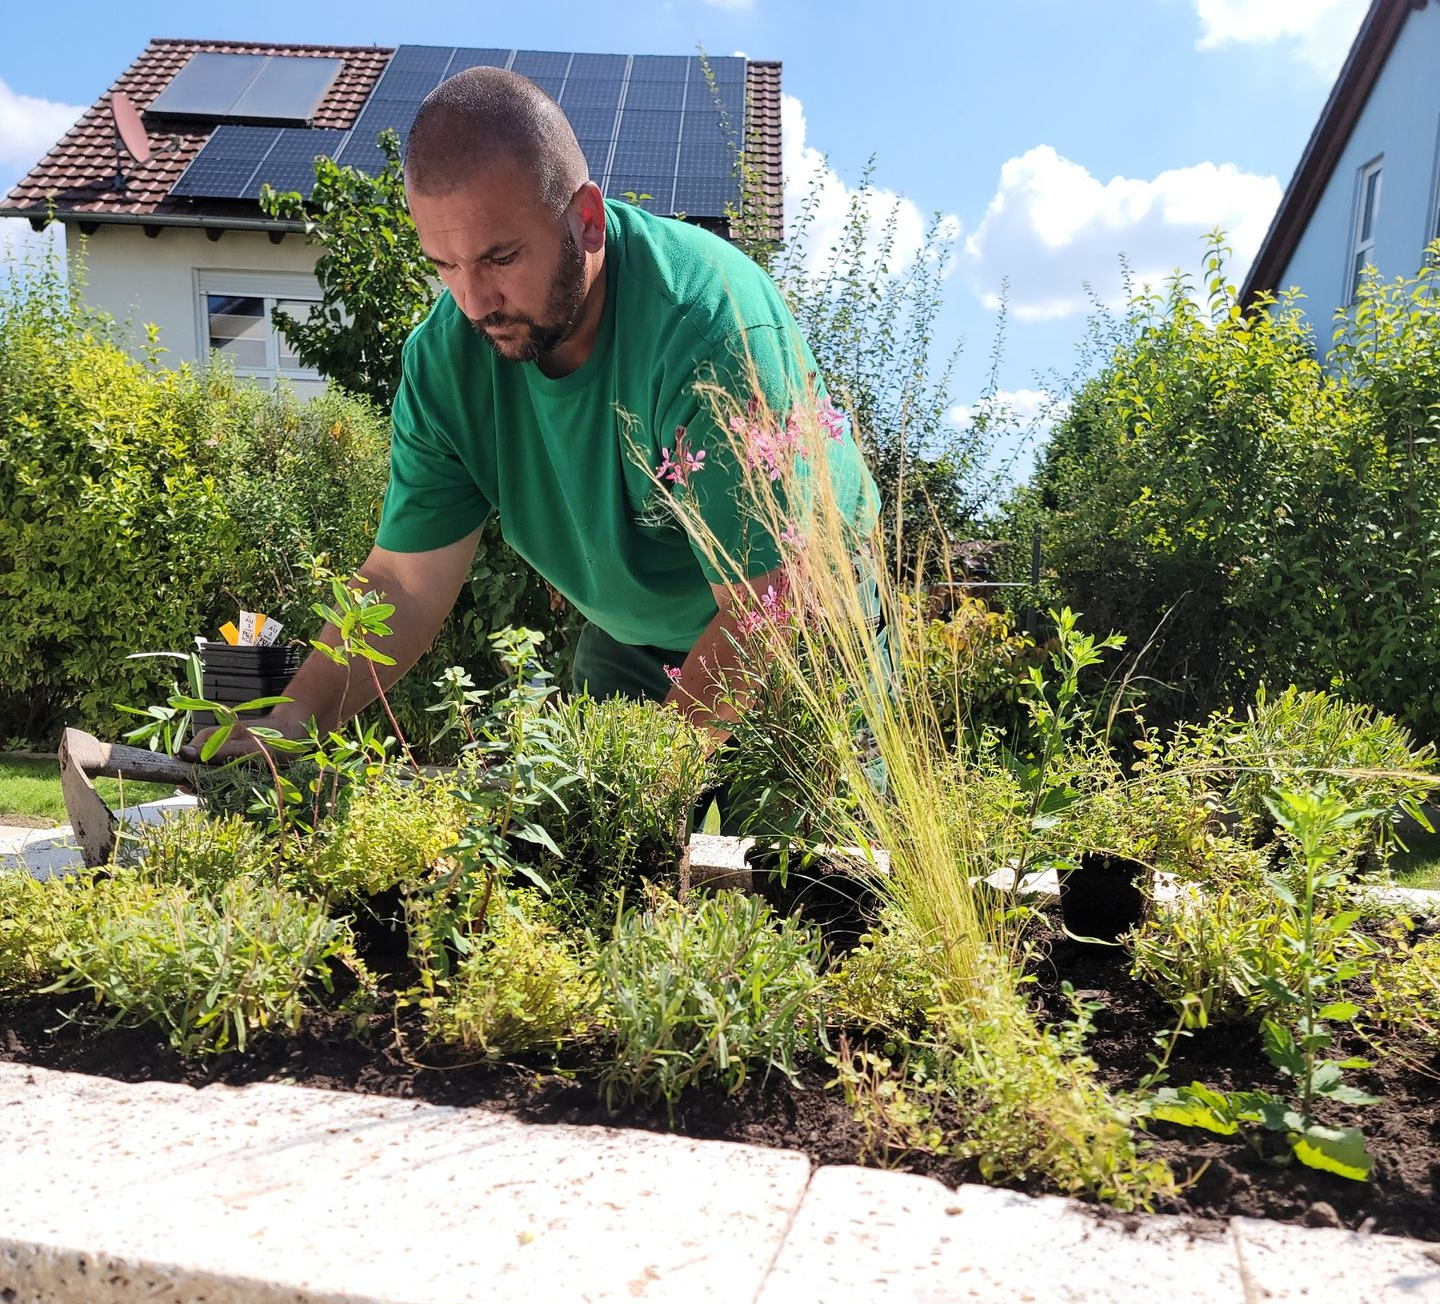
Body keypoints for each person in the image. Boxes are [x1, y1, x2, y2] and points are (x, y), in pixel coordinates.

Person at [184, 66, 876, 765]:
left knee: (814, 868)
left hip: (808, 621)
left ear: (587, 218)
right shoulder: (446, 365)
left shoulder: (709, 328)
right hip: (633, 634)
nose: (475, 301)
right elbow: (403, 582)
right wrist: (298, 713)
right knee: (590, 855)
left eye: (500, 257)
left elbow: (768, 606)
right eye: (444, 266)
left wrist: (646, 780)